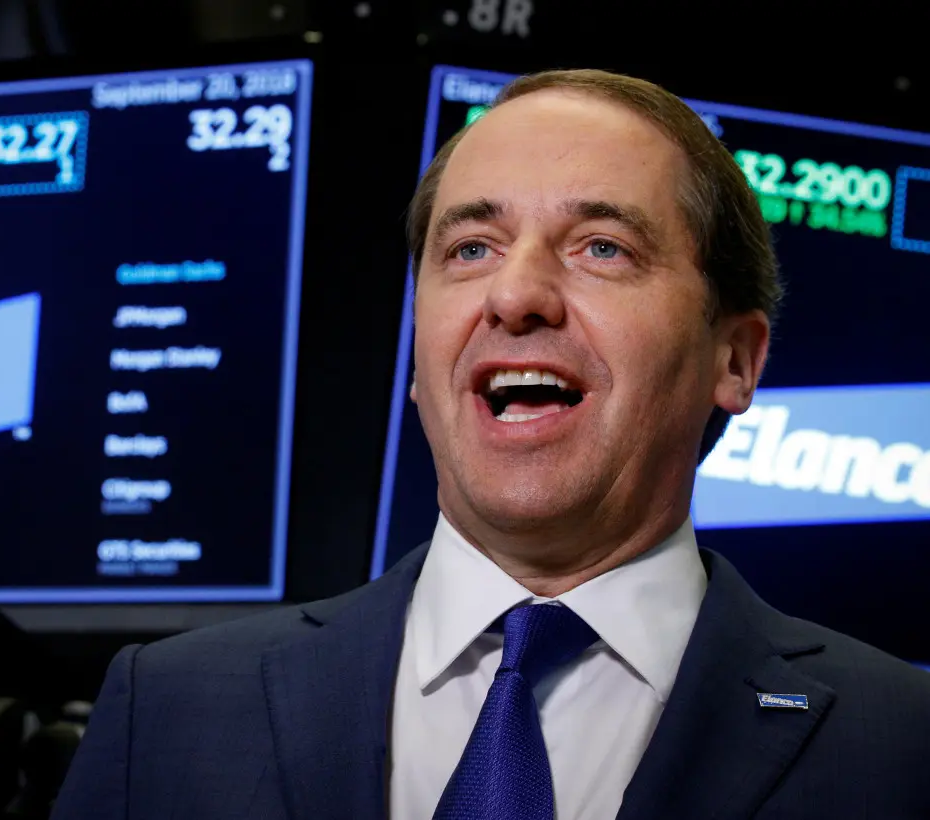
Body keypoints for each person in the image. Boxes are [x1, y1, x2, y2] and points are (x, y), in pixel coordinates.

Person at [51, 69, 930, 820]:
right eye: (471, 247)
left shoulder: (903, 746)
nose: (515, 296)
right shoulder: (163, 712)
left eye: (602, 247)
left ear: (733, 359)